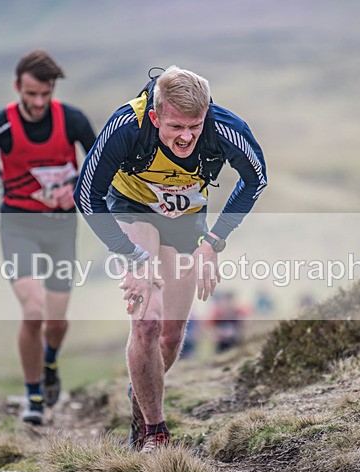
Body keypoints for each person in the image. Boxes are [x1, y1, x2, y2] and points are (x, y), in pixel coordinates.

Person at [75, 66, 267, 452]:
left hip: (186, 218)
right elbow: (86, 195)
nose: (186, 137)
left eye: (195, 126)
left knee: (170, 336)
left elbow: (255, 180)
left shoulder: (225, 127)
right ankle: (155, 433)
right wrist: (131, 256)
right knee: (146, 322)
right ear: (155, 117)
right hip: (132, 210)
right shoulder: (126, 127)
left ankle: (140, 392)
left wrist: (213, 241)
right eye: (176, 126)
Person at [0, 49, 96, 425]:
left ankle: (50, 362)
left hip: (62, 227)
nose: (38, 102)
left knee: (56, 321)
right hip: (18, 225)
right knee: (33, 311)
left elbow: (100, 162)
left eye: (45, 94)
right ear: (18, 86)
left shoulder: (72, 120)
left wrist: (79, 188)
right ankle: (33, 396)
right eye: (31, 93)